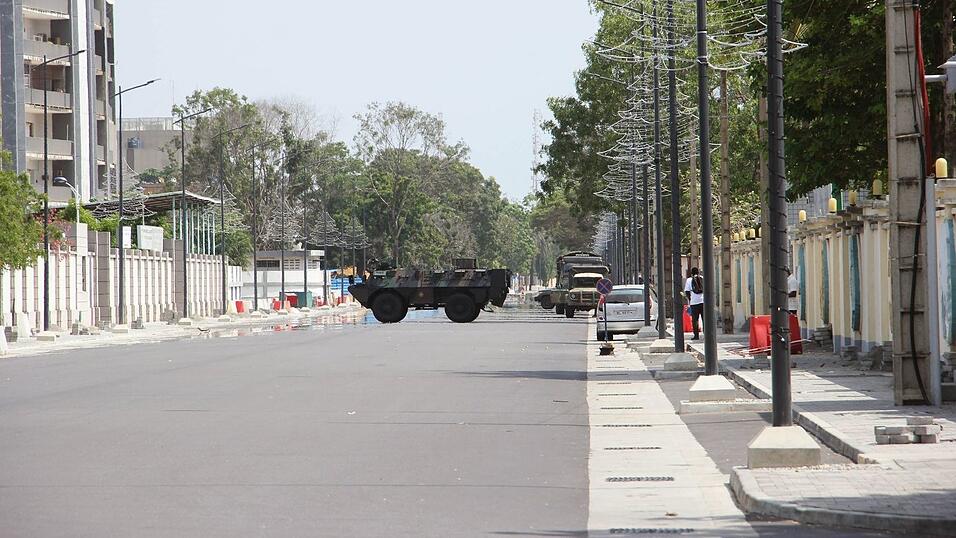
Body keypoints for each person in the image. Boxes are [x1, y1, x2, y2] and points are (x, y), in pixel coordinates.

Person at [684, 267, 704, 340]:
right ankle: (706, 334)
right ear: (698, 272)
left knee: (695, 320)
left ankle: (696, 336)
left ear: (691, 273)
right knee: (704, 318)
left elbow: (687, 291)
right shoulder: (702, 278)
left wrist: (689, 300)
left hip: (694, 303)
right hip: (703, 302)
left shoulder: (689, 280)